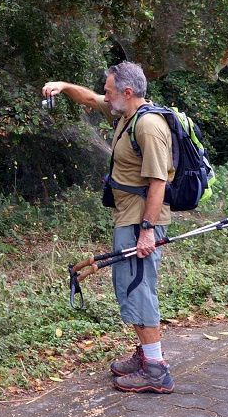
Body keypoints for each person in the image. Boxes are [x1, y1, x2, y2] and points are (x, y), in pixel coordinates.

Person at [42, 61, 175, 393]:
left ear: (127, 93)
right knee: (129, 288)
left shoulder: (148, 126)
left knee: (139, 291)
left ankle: (156, 370)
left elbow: (158, 182)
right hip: (127, 219)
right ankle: (146, 356)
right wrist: (62, 84)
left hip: (140, 222)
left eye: (110, 90)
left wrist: (147, 230)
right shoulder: (125, 116)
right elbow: (89, 99)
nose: (105, 95)